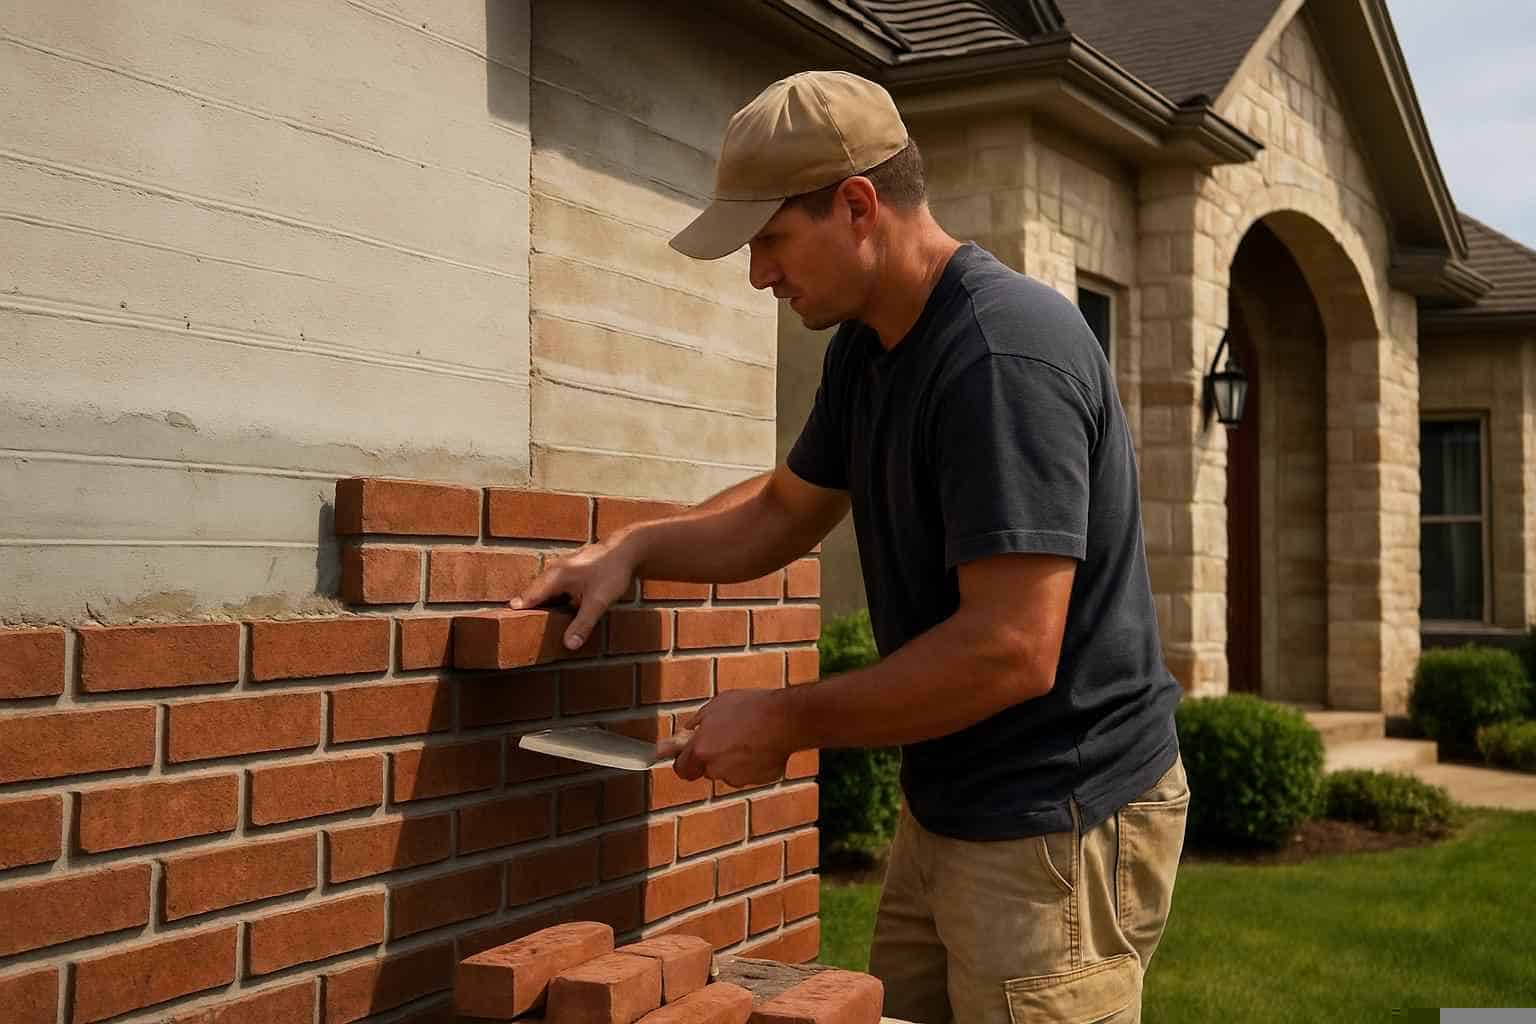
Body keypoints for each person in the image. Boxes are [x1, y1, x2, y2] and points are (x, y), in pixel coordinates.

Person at [512, 70, 1188, 1024]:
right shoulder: (869, 349)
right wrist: (635, 547)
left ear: (858, 205)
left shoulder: (1001, 358)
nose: (758, 275)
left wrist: (786, 718)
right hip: (954, 797)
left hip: (1055, 820)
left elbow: (1011, 648)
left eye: (771, 240)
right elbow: (787, 508)